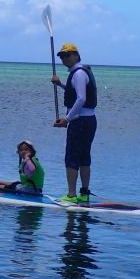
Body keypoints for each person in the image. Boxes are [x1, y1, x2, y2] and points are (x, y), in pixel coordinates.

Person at [51, 43, 97, 204]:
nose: (64, 58)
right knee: (84, 157)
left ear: (76, 55)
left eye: (68, 55)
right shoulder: (81, 72)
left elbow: (81, 99)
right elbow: (76, 93)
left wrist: (67, 119)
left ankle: (71, 195)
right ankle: (84, 193)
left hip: (80, 122)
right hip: (90, 121)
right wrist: (60, 84)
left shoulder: (78, 73)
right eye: (62, 56)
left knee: (72, 157)